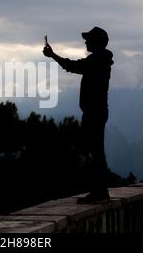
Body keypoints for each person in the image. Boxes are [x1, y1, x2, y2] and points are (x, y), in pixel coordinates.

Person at [43, 27, 114, 202]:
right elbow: (74, 66)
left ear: (96, 42)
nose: (85, 42)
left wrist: (53, 55)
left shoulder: (96, 62)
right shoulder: (100, 60)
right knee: (96, 151)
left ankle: (98, 192)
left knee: (94, 152)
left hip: (94, 113)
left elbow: (72, 66)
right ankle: (100, 191)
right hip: (97, 111)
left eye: (88, 39)